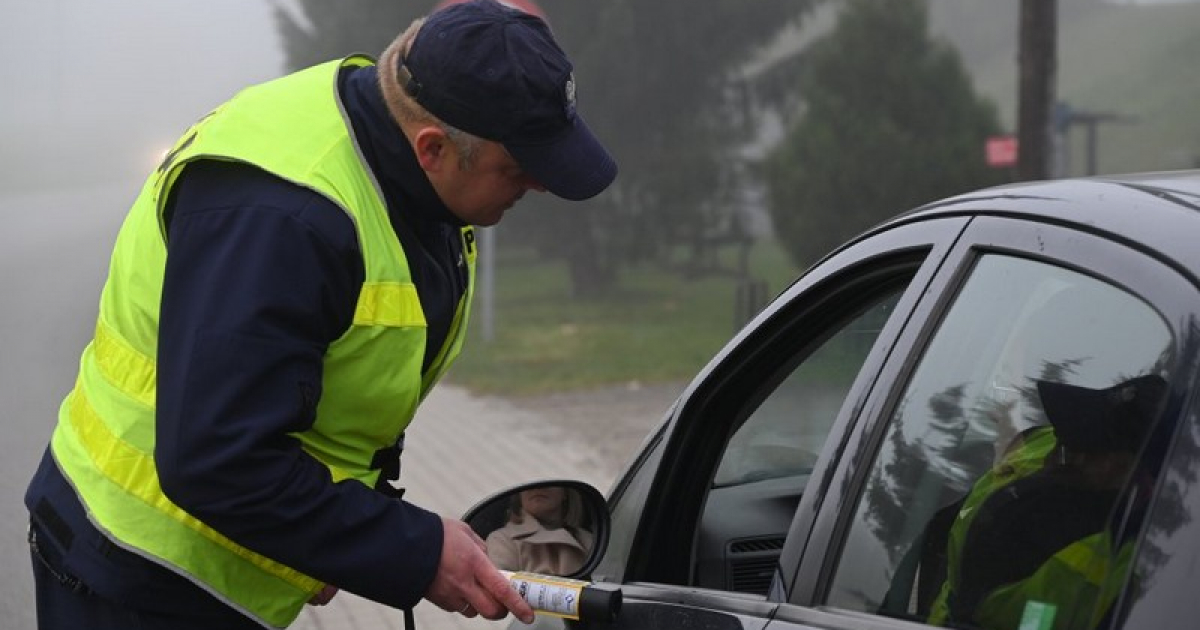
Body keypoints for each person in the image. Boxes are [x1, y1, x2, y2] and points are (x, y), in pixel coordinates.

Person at [22, 1, 617, 628]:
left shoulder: (397, 146)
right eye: (519, 171)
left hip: (213, 563)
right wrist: (412, 550)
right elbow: (217, 458)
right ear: (433, 148)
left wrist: (332, 539)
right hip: (134, 571)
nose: (541, 186)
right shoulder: (283, 220)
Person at [940, 375, 1167, 630]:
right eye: (1061, 440)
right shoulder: (1036, 451)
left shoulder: (1127, 569)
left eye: (1075, 450)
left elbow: (1032, 621)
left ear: (1129, 467)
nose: (1053, 457)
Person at [487, 486, 595, 575]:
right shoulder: (502, 540)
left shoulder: (589, 539)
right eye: (528, 483)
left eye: (550, 481)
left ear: (565, 493)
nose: (537, 488)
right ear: (519, 496)